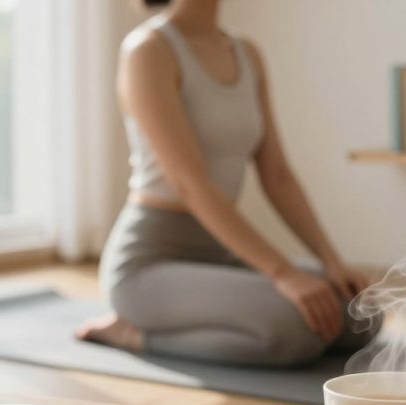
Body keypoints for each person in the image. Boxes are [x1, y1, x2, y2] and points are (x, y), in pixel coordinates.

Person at [76, 0, 378, 367]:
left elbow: (277, 174)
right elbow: (190, 184)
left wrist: (331, 262)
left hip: (219, 252)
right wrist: (283, 273)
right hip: (150, 264)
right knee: (293, 329)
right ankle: (131, 332)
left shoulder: (247, 53)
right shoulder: (148, 50)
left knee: (361, 313)